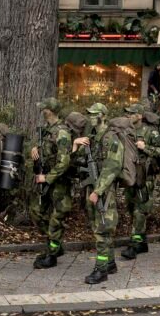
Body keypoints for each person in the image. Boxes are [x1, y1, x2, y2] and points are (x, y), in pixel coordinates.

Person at [73, 102, 126, 283]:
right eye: (90, 114)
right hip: (93, 187)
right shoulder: (93, 137)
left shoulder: (111, 138)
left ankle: (101, 269)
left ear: (103, 115)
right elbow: (78, 162)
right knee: (97, 226)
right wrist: (75, 146)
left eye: (95, 114)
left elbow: (113, 166)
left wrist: (98, 190)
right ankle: (110, 263)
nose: (91, 117)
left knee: (103, 229)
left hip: (105, 189)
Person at [30, 98, 74, 269]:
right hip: (45, 181)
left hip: (59, 183)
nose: (42, 111)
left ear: (49, 111)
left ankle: (52, 254)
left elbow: (64, 162)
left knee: (56, 219)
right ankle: (54, 245)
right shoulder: (46, 130)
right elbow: (43, 150)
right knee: (36, 212)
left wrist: (47, 178)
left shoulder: (62, 133)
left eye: (44, 109)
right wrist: (34, 148)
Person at [121, 103, 160, 260]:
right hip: (130, 176)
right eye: (127, 113)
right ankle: (142, 241)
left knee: (140, 210)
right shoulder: (126, 131)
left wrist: (145, 148)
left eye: (131, 113)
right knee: (131, 208)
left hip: (145, 177)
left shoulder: (150, 132)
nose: (128, 115)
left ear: (139, 115)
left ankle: (135, 244)